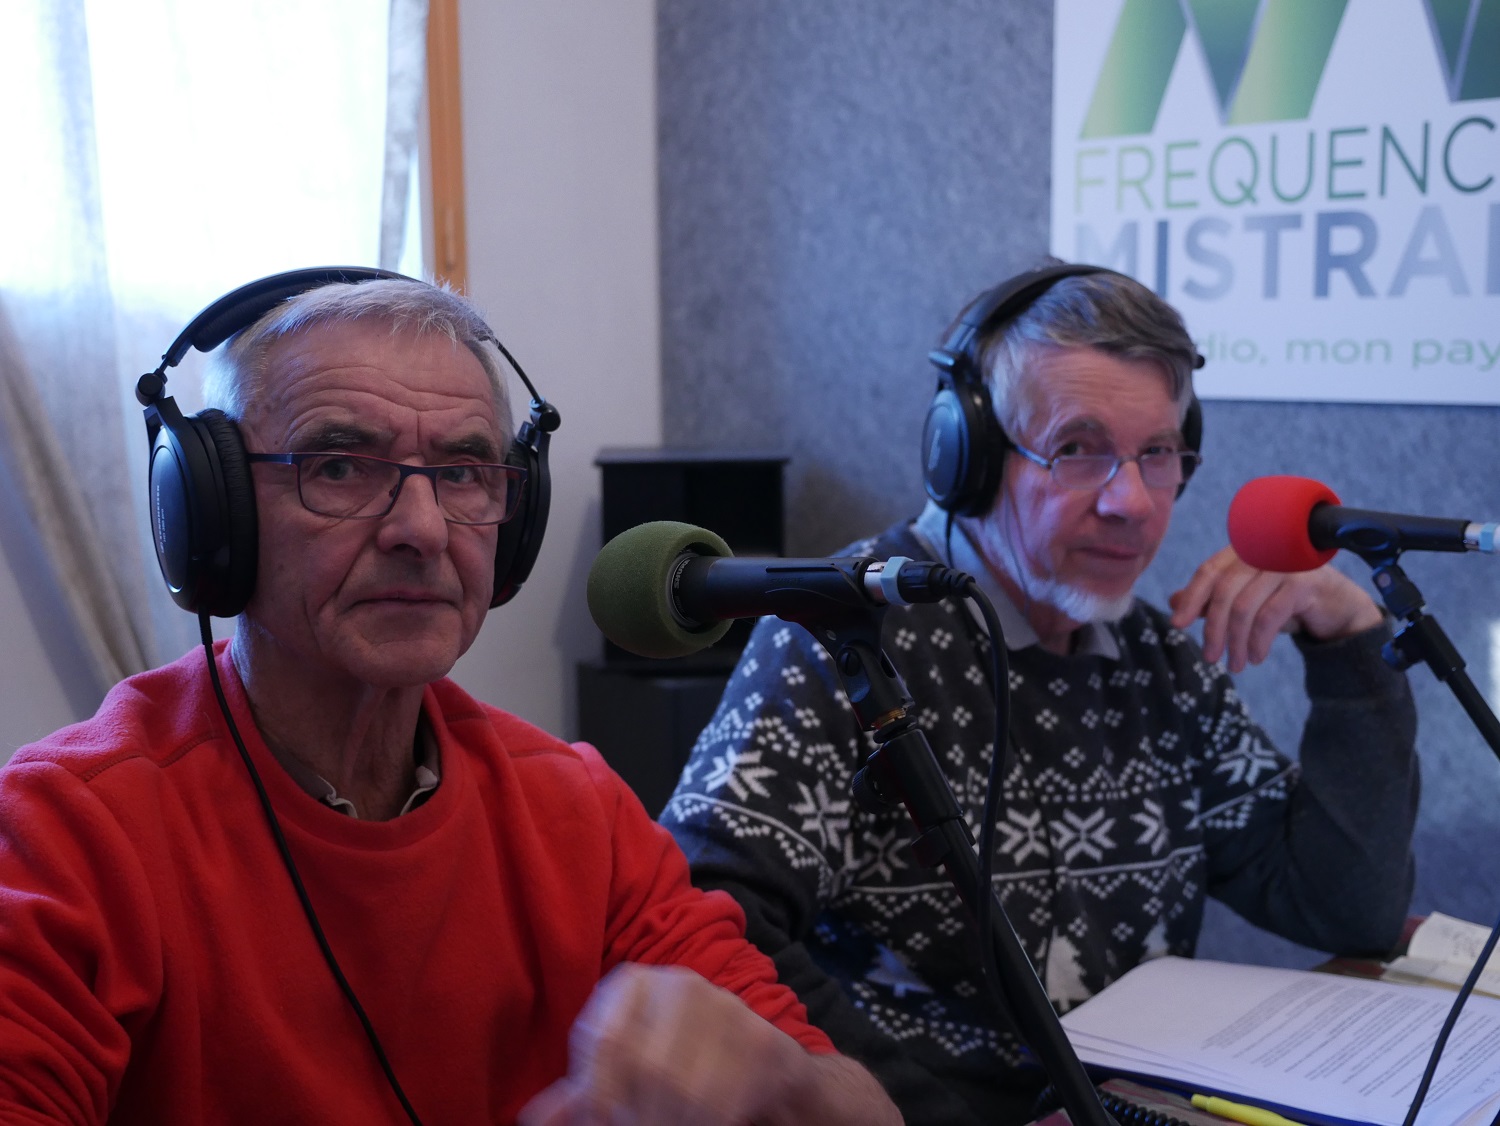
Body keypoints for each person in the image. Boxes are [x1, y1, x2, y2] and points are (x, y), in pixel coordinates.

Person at [0, 271, 902, 1125]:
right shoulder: (71, 833)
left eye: (464, 472)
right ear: (211, 510)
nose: (422, 529)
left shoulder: (578, 814)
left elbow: (866, 1109)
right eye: (341, 466)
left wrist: (779, 1078)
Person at [659, 263, 1420, 1125]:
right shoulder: (839, 640)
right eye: (1077, 449)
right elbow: (705, 924)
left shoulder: (1156, 660)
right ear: (967, 458)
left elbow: (1346, 907)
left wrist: (1350, 646)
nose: (1131, 502)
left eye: (1158, 453)